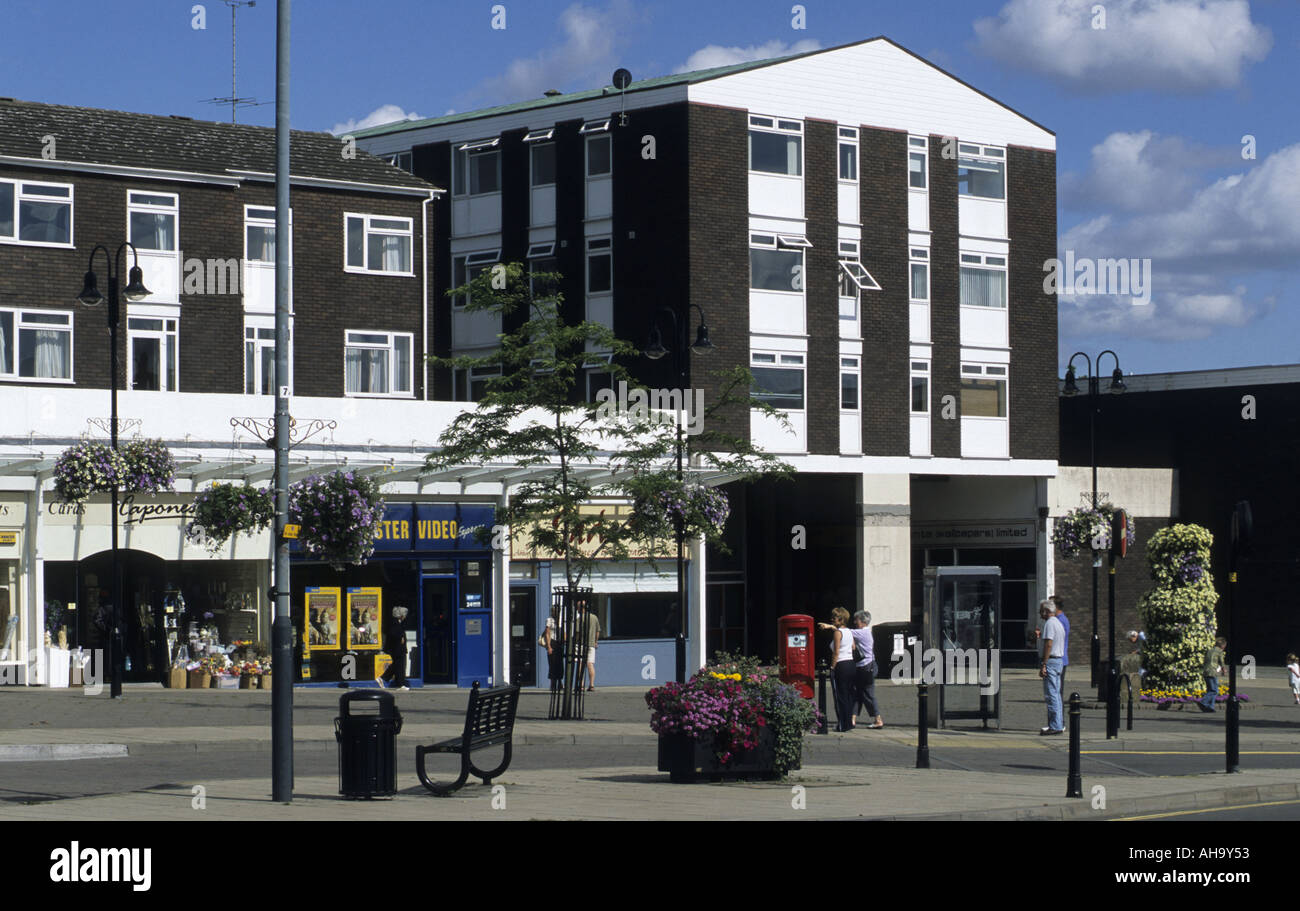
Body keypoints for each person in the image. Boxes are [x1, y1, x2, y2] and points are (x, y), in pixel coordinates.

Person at [816, 607, 856, 732]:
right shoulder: (849, 631)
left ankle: (842, 724)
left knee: (840, 696)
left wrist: (832, 667)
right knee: (848, 696)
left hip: (841, 665)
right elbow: (853, 647)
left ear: (841, 619)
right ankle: (848, 723)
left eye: (834, 617)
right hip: (851, 664)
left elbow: (836, 652)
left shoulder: (837, 633)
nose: (832, 619)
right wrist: (830, 627)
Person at [850, 610, 883, 729]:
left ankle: (878, 719)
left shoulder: (863, 632)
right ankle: (852, 718)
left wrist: (831, 627)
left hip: (866, 666)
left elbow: (845, 632)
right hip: (865, 666)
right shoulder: (865, 632)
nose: (854, 622)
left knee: (867, 693)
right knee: (858, 692)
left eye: (856, 620)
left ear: (863, 622)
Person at [1038, 600, 1064, 735]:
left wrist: (1044, 663)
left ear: (1046, 611)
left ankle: (1055, 725)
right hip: (1059, 661)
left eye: (1041, 610)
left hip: (1052, 661)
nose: (1039, 613)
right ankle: (1058, 724)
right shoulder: (1059, 623)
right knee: (1057, 694)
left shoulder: (1049, 624)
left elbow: (1049, 644)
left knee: (1051, 694)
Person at [377, 606, 409, 691]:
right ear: (401, 615)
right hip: (397, 649)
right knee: (399, 666)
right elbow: (393, 634)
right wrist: (401, 637)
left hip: (398, 649)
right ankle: (400, 684)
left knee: (397, 666)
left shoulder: (397, 623)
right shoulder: (395, 623)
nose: (405, 616)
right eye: (404, 614)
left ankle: (384, 678)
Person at [1200, 636, 1226, 713]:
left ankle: (1210, 706)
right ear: (1222, 645)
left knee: (1210, 689)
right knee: (1214, 690)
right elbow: (1221, 661)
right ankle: (1203, 702)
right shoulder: (1219, 651)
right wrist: (1223, 669)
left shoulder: (1210, 650)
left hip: (1206, 671)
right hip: (1212, 672)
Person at [580, 603, 601, 691]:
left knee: (580, 665)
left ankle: (580, 685)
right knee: (590, 664)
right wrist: (596, 641)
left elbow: (577, 631)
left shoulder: (580, 618)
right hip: (591, 644)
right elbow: (598, 630)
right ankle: (591, 684)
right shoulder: (594, 617)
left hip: (581, 643)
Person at [1050, 595, 1069, 689]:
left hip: (1058, 658)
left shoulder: (1059, 621)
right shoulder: (1062, 619)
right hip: (1061, 658)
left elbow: (1052, 640)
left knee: (1056, 689)